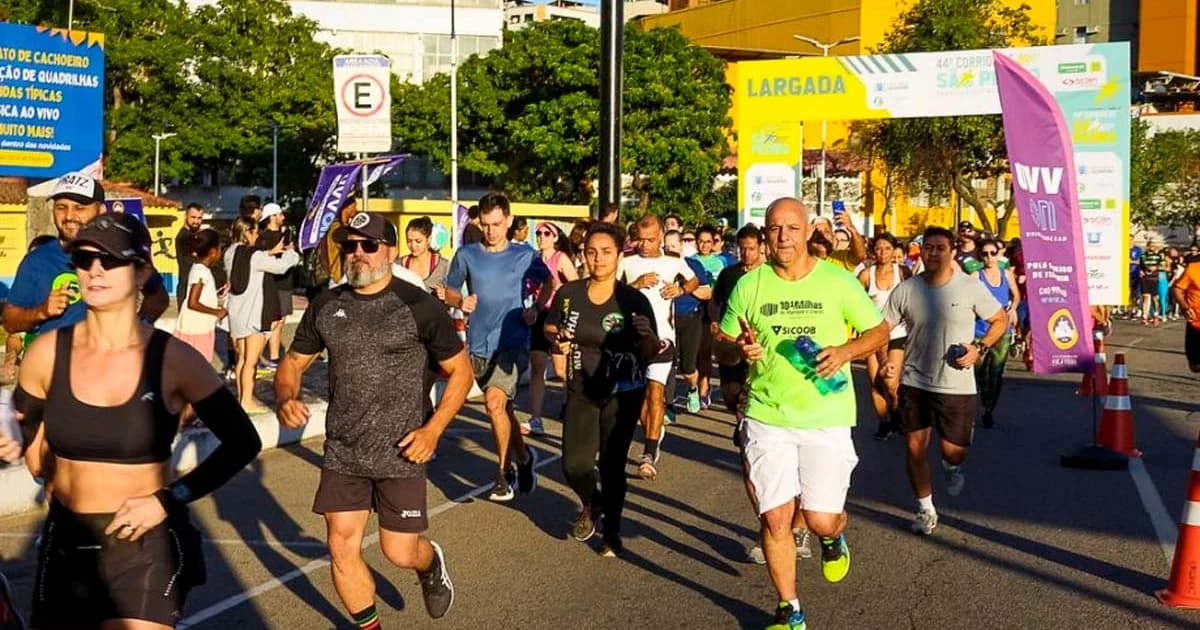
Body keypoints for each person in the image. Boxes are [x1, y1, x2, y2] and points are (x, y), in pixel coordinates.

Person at [0, 212, 261, 628]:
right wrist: (15, 438)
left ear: (141, 273)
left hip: (142, 544)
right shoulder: (46, 353)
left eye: (111, 260)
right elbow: (20, 429)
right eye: (84, 260)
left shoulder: (174, 360)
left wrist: (166, 500)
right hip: (67, 539)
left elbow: (243, 442)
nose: (95, 270)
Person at [275, 212, 472, 628]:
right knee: (340, 546)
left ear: (391, 251)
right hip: (344, 450)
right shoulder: (328, 304)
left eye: (369, 245)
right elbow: (292, 363)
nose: (358, 254)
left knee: (399, 551)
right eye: (350, 246)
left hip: (402, 450)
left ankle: (429, 561)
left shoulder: (419, 306)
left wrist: (433, 429)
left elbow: (461, 372)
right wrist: (286, 395)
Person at [717, 198, 889, 630]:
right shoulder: (749, 285)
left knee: (818, 518)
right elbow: (721, 341)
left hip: (826, 416)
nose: (783, 237)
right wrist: (737, 348)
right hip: (767, 413)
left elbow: (880, 329)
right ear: (765, 233)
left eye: (791, 228)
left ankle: (832, 538)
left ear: (807, 230)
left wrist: (846, 351)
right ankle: (790, 609)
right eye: (775, 229)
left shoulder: (837, 281)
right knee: (775, 518)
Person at [882, 226, 1007, 536]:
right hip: (915, 380)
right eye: (929, 247)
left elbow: (999, 320)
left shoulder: (969, 287)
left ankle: (953, 467)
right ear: (921, 251)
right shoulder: (907, 289)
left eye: (940, 247)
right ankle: (925, 507)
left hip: (956, 384)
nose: (934, 253)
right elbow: (882, 328)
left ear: (952, 251)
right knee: (914, 447)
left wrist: (979, 348)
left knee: (954, 451)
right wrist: (886, 361)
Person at [545, 223, 659, 557]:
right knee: (575, 465)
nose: (598, 259)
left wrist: (646, 335)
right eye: (591, 252)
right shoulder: (570, 294)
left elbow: (652, 351)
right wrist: (558, 338)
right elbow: (551, 324)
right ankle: (592, 502)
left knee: (611, 465)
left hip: (624, 390)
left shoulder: (633, 299)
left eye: (606, 252)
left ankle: (612, 532)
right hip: (581, 386)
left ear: (619, 254)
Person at [442, 192, 550, 502]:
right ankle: (525, 458)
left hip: (513, 341)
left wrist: (536, 309)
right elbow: (450, 290)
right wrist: (461, 301)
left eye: (497, 224)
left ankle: (503, 473)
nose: (491, 231)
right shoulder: (467, 254)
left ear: (509, 221)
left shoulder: (524, 255)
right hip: (479, 344)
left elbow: (549, 282)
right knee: (504, 410)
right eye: (486, 225)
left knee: (492, 403)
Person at [4, 173, 168, 342]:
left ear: (101, 210)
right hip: (56, 364)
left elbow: (158, 298)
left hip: (109, 364)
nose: (69, 216)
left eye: (79, 208)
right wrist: (41, 311)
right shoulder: (37, 259)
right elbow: (10, 321)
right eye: (61, 207)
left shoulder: (122, 253)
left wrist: (138, 326)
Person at [619, 215, 698, 480]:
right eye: (640, 239)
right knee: (640, 398)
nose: (644, 245)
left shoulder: (673, 262)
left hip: (664, 338)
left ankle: (649, 453)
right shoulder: (626, 262)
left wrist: (680, 289)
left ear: (662, 235)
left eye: (650, 240)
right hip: (632, 341)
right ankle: (653, 430)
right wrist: (636, 285)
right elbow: (610, 293)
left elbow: (694, 281)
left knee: (655, 392)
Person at [224, 216, 300, 412]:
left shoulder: (230, 252)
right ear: (247, 232)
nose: (258, 235)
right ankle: (247, 401)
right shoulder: (255, 256)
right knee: (251, 361)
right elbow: (280, 266)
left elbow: (250, 259)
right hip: (253, 314)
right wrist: (292, 253)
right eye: (256, 231)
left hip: (237, 313)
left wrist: (269, 252)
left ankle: (242, 397)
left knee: (241, 359)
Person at [526, 221, 578, 435]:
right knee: (537, 364)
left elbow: (576, 285)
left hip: (558, 316)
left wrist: (560, 289)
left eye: (547, 233)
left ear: (555, 237)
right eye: (538, 233)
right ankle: (535, 418)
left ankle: (574, 403)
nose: (542, 236)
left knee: (560, 369)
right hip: (538, 314)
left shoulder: (561, 259)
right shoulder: (533, 259)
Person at [858, 233, 910, 440]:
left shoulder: (903, 273)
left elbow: (914, 298)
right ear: (873, 251)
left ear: (894, 250)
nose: (882, 253)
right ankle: (884, 422)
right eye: (878, 249)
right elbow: (855, 301)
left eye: (887, 249)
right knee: (875, 382)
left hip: (897, 332)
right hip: (872, 333)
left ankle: (897, 412)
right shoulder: (866, 275)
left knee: (889, 380)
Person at [972, 239, 1020, 429]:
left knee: (996, 373)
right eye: (985, 253)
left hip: (1003, 331)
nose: (989, 257)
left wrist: (1012, 309)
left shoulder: (1006, 274)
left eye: (993, 253)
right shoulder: (976, 276)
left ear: (998, 253)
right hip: (980, 331)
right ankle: (979, 404)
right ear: (980, 256)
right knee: (979, 372)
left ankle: (989, 410)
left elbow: (1015, 295)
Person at [664, 229, 709, 418]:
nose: (670, 250)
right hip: (667, 321)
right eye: (666, 247)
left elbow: (707, 293)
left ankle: (692, 389)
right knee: (668, 365)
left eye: (674, 246)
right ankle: (668, 406)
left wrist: (685, 288)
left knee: (688, 367)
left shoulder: (693, 265)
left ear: (681, 246)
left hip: (690, 318)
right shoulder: (661, 265)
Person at [174, 228, 226, 363]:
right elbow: (193, 302)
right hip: (197, 329)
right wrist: (217, 312)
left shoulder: (198, 268)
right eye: (220, 248)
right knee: (198, 365)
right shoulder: (201, 272)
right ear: (213, 252)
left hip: (197, 326)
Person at [689, 225, 728, 410]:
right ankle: (695, 385)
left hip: (713, 309)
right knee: (695, 351)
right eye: (701, 241)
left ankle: (704, 388)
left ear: (714, 243)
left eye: (708, 242)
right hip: (694, 309)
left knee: (705, 351)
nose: (704, 245)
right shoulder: (689, 261)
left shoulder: (720, 262)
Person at [259, 202, 290, 368]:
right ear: (272, 217)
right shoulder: (265, 238)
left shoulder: (282, 235)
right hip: (274, 284)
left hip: (284, 284)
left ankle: (274, 356)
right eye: (279, 214)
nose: (283, 218)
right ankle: (254, 353)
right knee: (273, 321)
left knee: (280, 322)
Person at [316, 195, 360, 290]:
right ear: (346, 208)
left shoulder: (332, 227)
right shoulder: (338, 229)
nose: (356, 210)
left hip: (336, 278)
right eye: (354, 206)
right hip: (337, 279)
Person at [401, 216, 451, 290]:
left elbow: (455, 296)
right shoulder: (398, 266)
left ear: (429, 239)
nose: (413, 245)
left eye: (418, 241)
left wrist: (445, 295)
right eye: (409, 241)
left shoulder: (444, 266)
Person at [174, 203, 205, 308]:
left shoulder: (194, 236)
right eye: (193, 217)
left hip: (194, 288)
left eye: (199, 218)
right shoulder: (185, 237)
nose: (196, 221)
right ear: (185, 216)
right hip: (187, 289)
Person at [1171, 257, 1200, 373]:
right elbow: (1177, 289)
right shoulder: (1193, 269)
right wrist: (1184, 306)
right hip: (1196, 321)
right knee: (1195, 365)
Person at [1140, 241, 1166, 326]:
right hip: (1145, 278)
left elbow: (1163, 266)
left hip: (1154, 279)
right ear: (1147, 247)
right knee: (1146, 297)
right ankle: (1144, 316)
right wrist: (1141, 271)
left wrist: (1155, 267)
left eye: (1153, 246)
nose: (1151, 248)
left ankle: (1156, 315)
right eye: (1150, 246)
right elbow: (1140, 267)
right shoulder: (1143, 256)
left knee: (1155, 298)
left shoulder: (1158, 256)